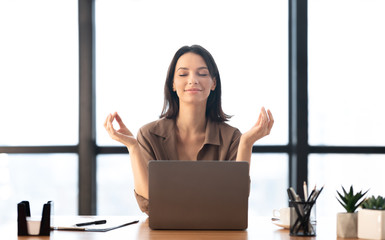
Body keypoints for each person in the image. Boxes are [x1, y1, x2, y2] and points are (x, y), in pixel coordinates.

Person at [104, 45, 274, 215]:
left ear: (213, 83)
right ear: (173, 84)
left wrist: (246, 143)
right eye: (183, 74)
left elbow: (236, 202)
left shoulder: (231, 137)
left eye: (202, 73)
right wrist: (133, 148)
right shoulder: (149, 134)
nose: (193, 80)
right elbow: (149, 203)